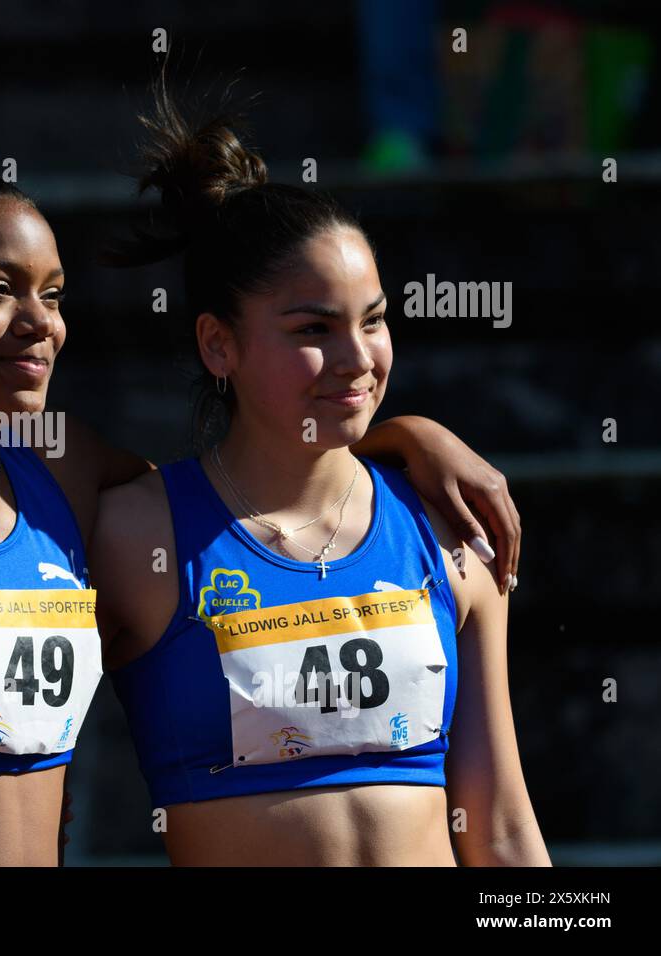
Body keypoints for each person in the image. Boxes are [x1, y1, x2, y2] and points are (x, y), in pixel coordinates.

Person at [0, 97, 524, 865]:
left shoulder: (70, 474)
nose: (40, 322)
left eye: (53, 295)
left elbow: (293, 473)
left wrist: (408, 437)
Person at [95, 89, 548, 865]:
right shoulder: (137, 536)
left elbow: (502, 824)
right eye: (313, 329)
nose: (357, 359)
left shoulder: (448, 528)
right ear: (218, 345)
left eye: (372, 320)